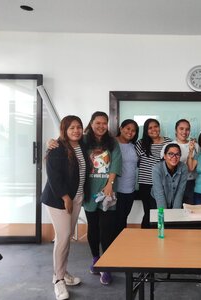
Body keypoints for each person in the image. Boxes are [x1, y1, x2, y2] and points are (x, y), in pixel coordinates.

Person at [41, 116, 88, 300]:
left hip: (77, 198)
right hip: (59, 199)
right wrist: (65, 197)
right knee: (62, 238)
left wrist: (75, 197)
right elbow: (54, 176)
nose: (76, 131)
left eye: (79, 127)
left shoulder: (82, 146)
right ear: (64, 130)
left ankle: (62, 271)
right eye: (72, 128)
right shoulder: (57, 148)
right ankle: (58, 280)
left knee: (67, 237)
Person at [83, 111, 121, 285]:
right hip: (88, 191)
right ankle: (95, 258)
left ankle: (106, 265)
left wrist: (109, 184)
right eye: (98, 123)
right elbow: (67, 147)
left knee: (106, 229)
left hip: (107, 193)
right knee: (93, 228)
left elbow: (115, 163)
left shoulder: (112, 142)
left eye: (104, 123)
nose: (101, 126)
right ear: (91, 124)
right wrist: (50, 142)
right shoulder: (83, 141)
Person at [135, 118, 172, 228]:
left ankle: (160, 234)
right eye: (150, 128)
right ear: (146, 130)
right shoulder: (140, 144)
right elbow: (135, 162)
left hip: (163, 183)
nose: (153, 129)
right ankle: (146, 238)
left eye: (155, 126)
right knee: (148, 212)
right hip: (146, 184)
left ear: (159, 127)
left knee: (161, 211)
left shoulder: (168, 142)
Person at [160, 119, 199, 204]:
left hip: (191, 183)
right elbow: (164, 168)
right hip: (173, 183)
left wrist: (191, 151)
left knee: (190, 212)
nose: (184, 132)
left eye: (187, 129)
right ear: (176, 130)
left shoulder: (195, 146)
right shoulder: (168, 146)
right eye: (181, 129)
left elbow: (193, 168)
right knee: (174, 211)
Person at [115, 119, 139, 235]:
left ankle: (120, 246)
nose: (130, 132)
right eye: (128, 128)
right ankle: (113, 248)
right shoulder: (112, 143)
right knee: (116, 221)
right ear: (121, 128)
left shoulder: (133, 146)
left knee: (123, 219)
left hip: (130, 189)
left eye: (133, 130)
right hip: (116, 189)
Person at [151, 143, 188, 209]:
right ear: (164, 156)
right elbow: (159, 194)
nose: (174, 157)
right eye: (170, 154)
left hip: (175, 200)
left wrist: (175, 212)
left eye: (177, 154)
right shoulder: (157, 169)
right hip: (158, 200)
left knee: (175, 217)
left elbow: (180, 191)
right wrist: (163, 215)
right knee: (161, 218)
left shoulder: (183, 167)